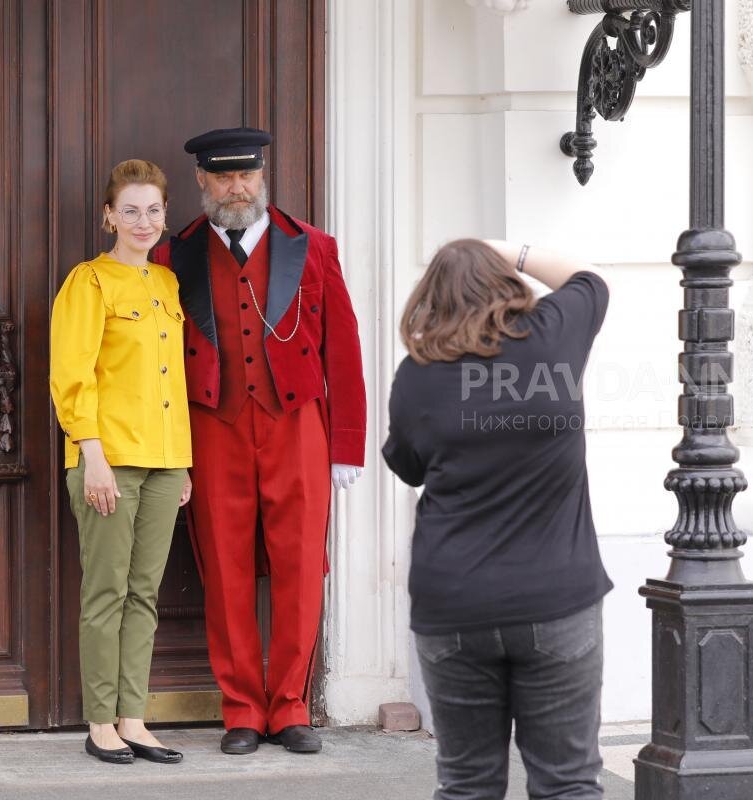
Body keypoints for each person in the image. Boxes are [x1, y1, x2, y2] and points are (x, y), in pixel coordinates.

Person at [151, 127, 366, 755]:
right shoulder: (174, 255)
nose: (236, 187)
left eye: (245, 175)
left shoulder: (312, 246)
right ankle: (243, 709)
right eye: (222, 177)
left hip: (297, 424)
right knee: (226, 569)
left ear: (262, 175)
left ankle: (291, 706)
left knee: (301, 566)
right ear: (202, 182)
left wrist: (346, 444)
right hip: (212, 429)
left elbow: (344, 349)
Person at [383, 239, 612, 798]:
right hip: (556, 596)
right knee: (569, 783)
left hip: (453, 603)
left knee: (466, 784)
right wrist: (513, 250)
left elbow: (409, 468)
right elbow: (589, 279)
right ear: (506, 283)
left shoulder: (418, 375)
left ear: (431, 297)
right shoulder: (554, 337)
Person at [50, 159, 193, 766]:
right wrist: (93, 457)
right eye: (130, 210)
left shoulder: (166, 286)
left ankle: (134, 717)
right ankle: (100, 722)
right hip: (107, 460)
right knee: (105, 592)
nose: (143, 221)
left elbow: (174, 381)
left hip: (164, 462)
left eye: (153, 210)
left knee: (145, 593)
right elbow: (72, 375)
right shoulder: (88, 282)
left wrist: (181, 462)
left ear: (165, 215)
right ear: (109, 215)